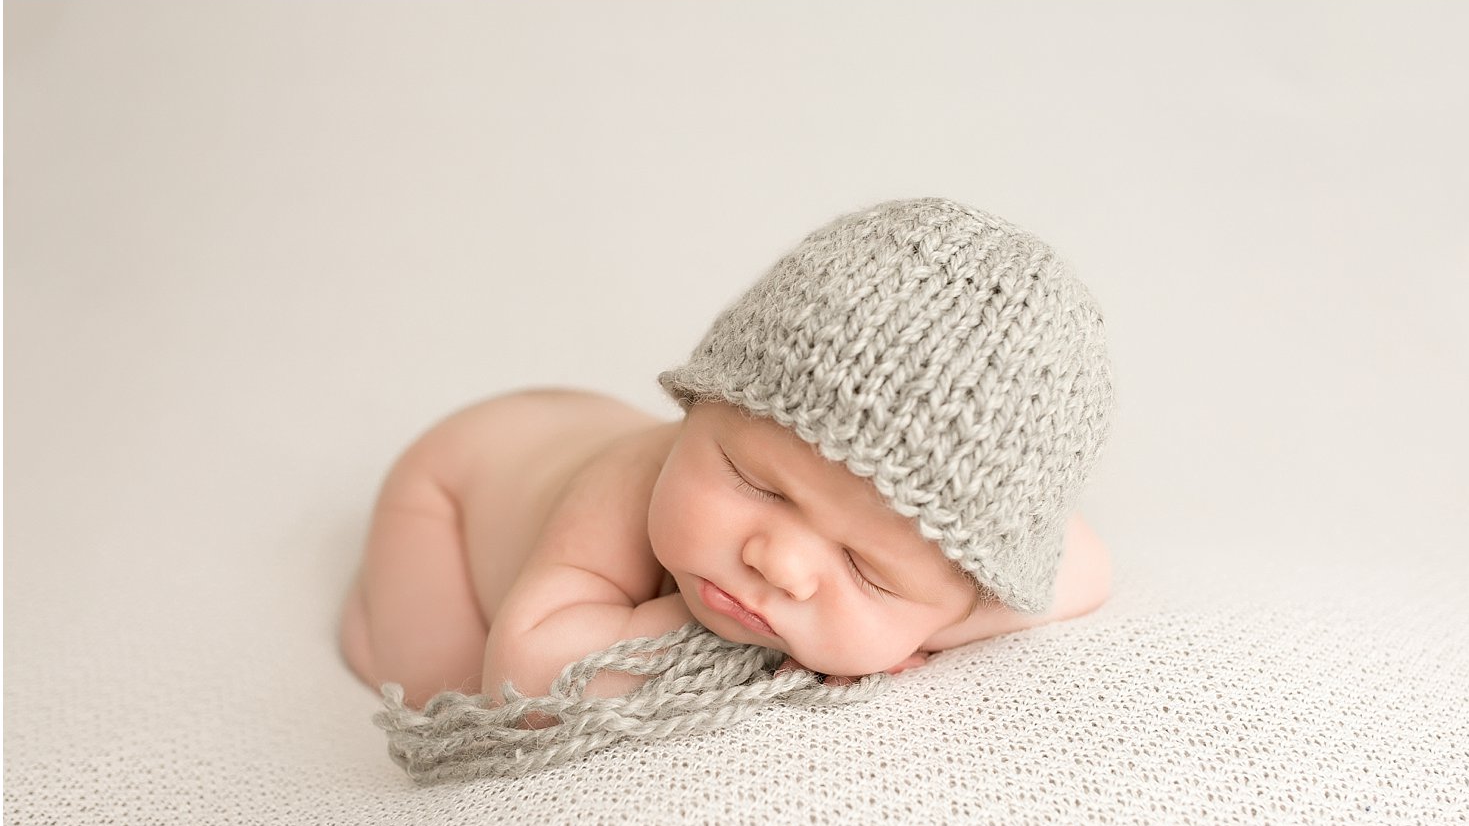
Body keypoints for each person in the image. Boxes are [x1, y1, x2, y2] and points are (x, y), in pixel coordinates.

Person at [340, 198, 1115, 711]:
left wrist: (910, 627)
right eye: (757, 484)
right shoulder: (622, 487)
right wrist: (798, 631)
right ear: (697, 412)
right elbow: (527, 677)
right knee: (437, 683)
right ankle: (368, 615)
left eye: (866, 568)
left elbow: (1081, 569)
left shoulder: (969, 573)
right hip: (459, 475)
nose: (779, 563)